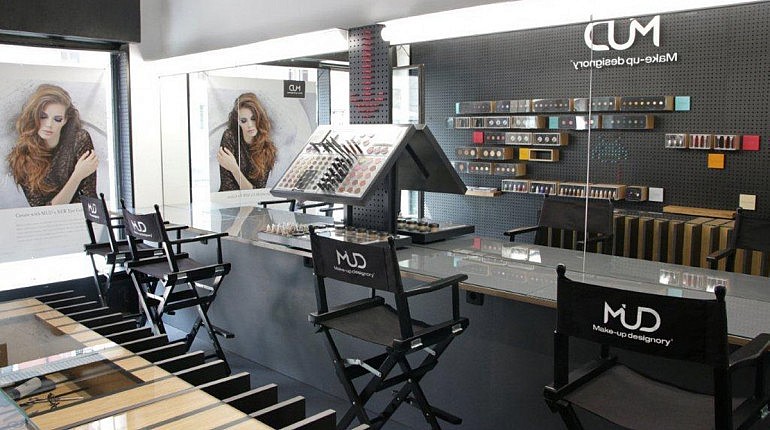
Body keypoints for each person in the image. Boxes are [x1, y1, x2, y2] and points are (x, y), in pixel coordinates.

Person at [7, 84, 97, 206]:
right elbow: (42, 211)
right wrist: (77, 176)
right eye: (43, 117)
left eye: (57, 119)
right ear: (34, 116)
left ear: (65, 120)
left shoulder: (79, 139)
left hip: (81, 216)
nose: (49, 124)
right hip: (49, 218)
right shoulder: (21, 158)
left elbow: (90, 199)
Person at [217, 92, 277, 191]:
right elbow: (227, 186)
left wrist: (234, 168)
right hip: (227, 199)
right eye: (244, 121)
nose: (249, 125)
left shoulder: (267, 149)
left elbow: (256, 192)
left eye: (253, 119)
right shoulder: (230, 137)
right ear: (238, 121)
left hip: (252, 200)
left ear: (259, 118)